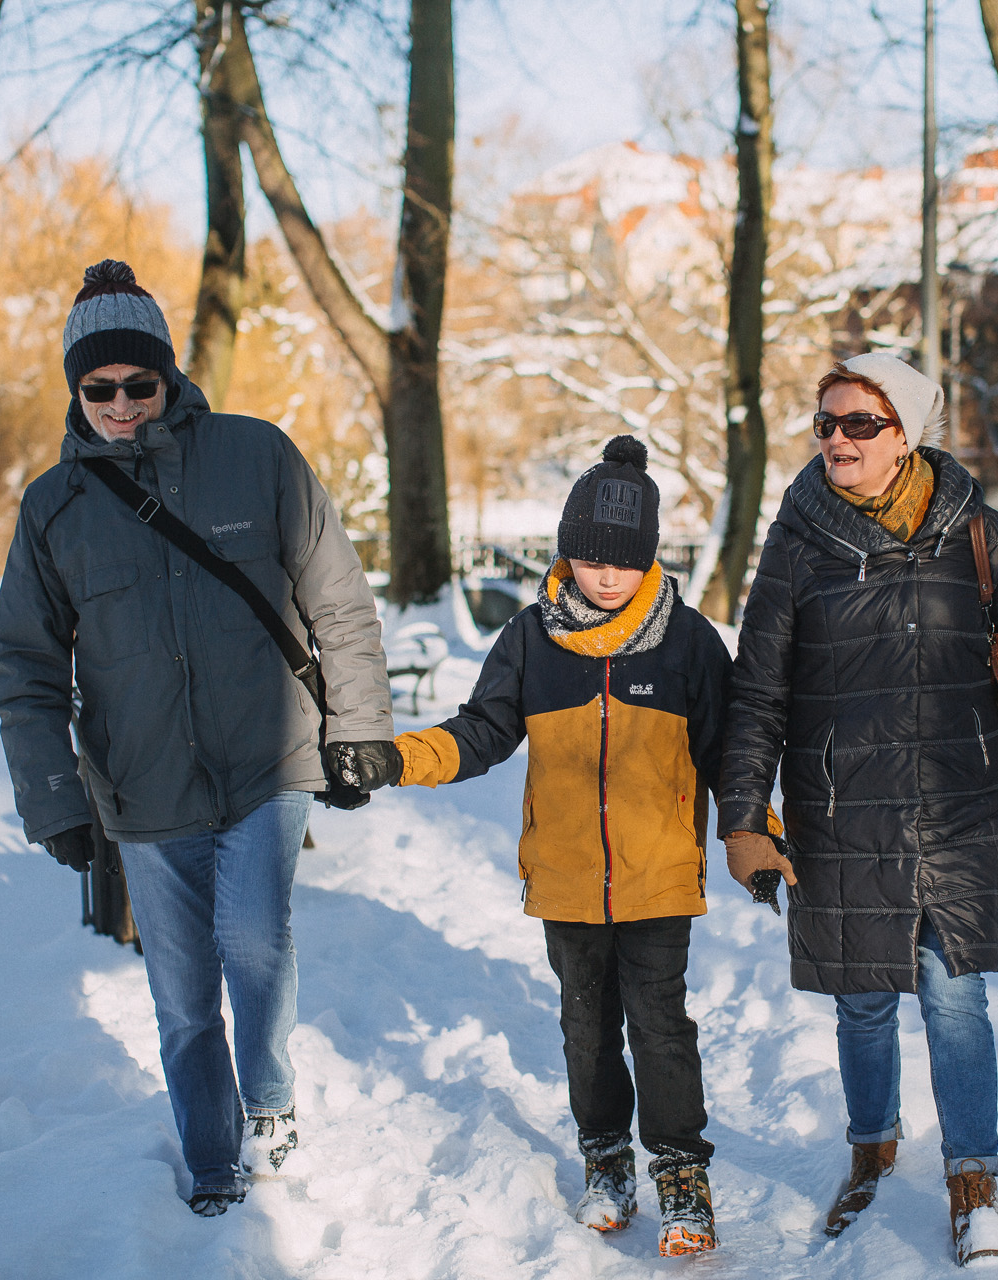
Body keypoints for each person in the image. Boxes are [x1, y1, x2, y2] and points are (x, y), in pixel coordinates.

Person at [0, 260, 402, 1216]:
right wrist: (55, 798)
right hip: (143, 787)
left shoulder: (257, 457)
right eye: (101, 388)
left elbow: (337, 601)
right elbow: (26, 669)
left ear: (168, 376)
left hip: (268, 761)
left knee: (256, 943)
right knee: (181, 999)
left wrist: (361, 731)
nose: (124, 405)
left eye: (141, 383)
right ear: (75, 391)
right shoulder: (53, 510)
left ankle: (270, 1101)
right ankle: (212, 1161)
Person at [715, 353, 998, 1266]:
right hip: (838, 809)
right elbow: (758, 687)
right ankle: (871, 1150)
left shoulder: (975, 531)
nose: (838, 439)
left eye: (860, 424)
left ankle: (974, 1185)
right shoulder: (797, 540)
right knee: (862, 1004)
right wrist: (743, 818)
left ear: (907, 434)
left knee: (956, 1000)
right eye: (827, 424)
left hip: (959, 807)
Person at [387, 436, 730, 1257]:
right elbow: (482, 732)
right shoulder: (531, 640)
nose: (605, 576)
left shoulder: (686, 641)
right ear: (565, 554)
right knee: (586, 1028)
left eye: (624, 561)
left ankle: (682, 1176)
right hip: (567, 878)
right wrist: (398, 758)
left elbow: (733, 752)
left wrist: (760, 833)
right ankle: (606, 1163)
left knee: (660, 1028)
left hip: (658, 879)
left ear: (648, 559)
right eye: (588, 558)